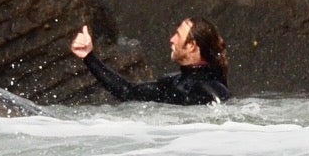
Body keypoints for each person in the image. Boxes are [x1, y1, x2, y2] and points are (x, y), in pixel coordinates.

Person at [69, 19, 231, 105]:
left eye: (178, 35)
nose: (172, 39)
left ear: (191, 46)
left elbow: (224, 114)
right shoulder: (171, 83)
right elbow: (127, 92)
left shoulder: (210, 86)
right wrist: (88, 57)